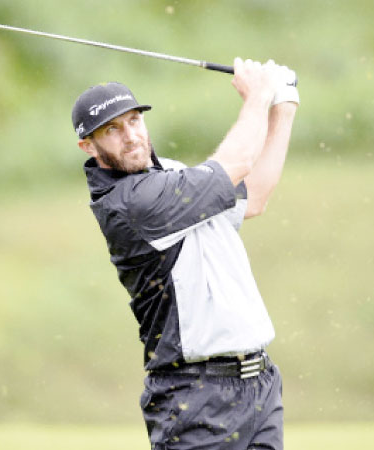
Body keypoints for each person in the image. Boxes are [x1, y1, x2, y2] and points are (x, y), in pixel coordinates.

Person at [71, 57, 299, 449]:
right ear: (88, 146)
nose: (130, 136)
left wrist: (284, 103)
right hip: (196, 396)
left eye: (134, 121)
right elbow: (237, 162)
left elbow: (255, 195)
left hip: (258, 383)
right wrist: (258, 95)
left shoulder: (170, 177)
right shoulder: (130, 203)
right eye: (112, 130)